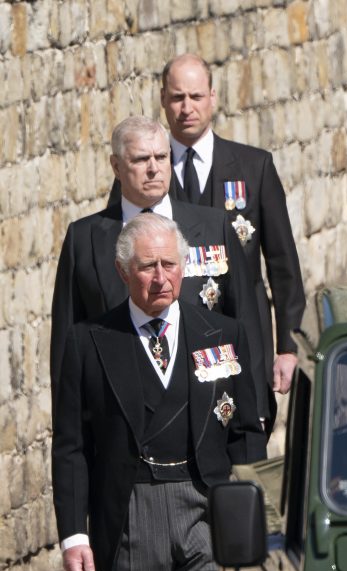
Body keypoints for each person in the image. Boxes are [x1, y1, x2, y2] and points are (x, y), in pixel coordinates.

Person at [52, 214, 267, 571]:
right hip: (134, 510)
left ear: (184, 266)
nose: (160, 278)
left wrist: (249, 514)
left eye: (169, 265)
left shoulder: (223, 334)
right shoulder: (89, 342)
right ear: (122, 271)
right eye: (147, 267)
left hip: (205, 504)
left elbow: (245, 433)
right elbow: (71, 446)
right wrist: (74, 535)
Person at [52, 116, 268, 424]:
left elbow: (245, 321)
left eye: (161, 157)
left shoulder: (213, 227)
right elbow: (66, 343)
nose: (153, 168)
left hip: (205, 410)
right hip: (119, 418)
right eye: (141, 159)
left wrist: (255, 410)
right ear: (116, 166)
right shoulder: (84, 239)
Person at [153, 53, 304, 423]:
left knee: (247, 444)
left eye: (195, 96)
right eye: (177, 98)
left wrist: (287, 347)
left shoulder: (254, 168)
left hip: (244, 335)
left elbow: (283, 264)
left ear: (213, 97)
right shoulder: (146, 171)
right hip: (172, 338)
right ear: (163, 100)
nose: (186, 107)